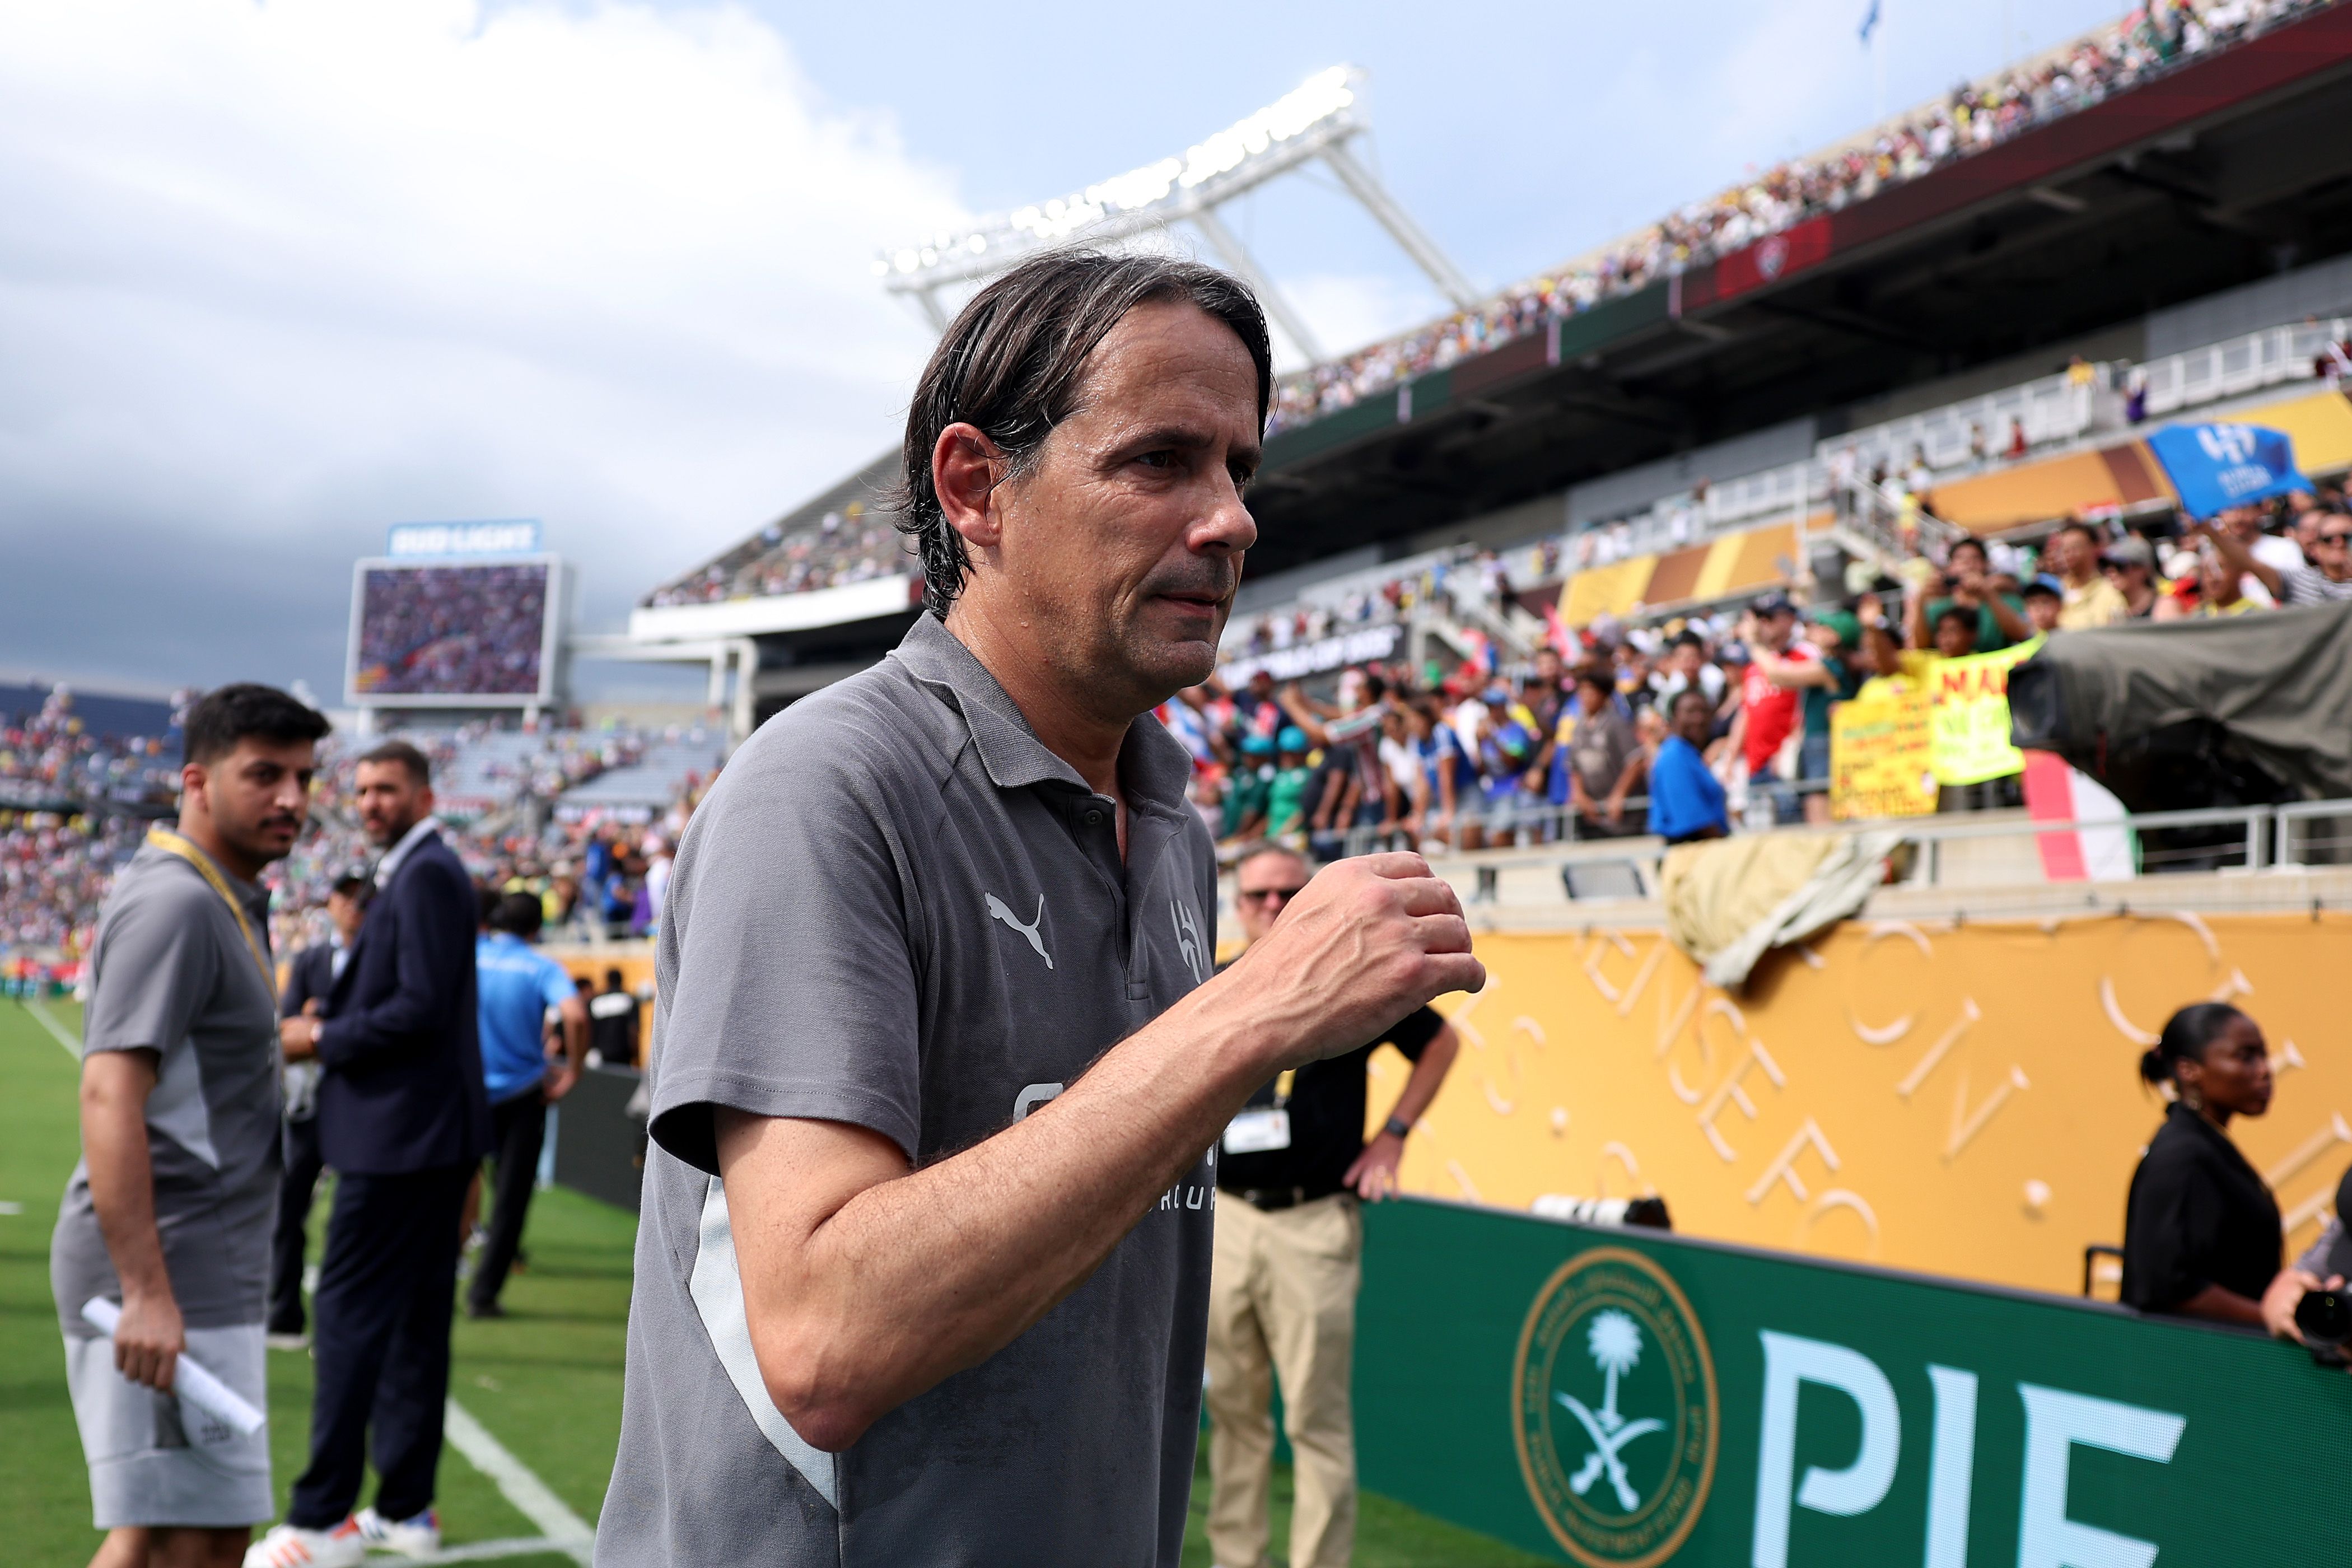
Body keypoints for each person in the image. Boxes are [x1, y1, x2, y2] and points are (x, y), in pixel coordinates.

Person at [596, 251, 1480, 1566]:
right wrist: (1249, 1012)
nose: (1231, 517)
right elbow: (827, 1339)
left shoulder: (1170, 822)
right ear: (976, 488)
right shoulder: (830, 787)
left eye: (1239, 466)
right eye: (1160, 461)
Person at [52, 684, 329, 1568]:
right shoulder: (176, 905)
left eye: (301, 776)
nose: (290, 798)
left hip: (202, 1262)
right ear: (198, 781)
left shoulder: (224, 895)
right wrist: (146, 1291)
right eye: (264, 775)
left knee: (160, 1534)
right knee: (197, 1541)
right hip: (171, 1265)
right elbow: (108, 1093)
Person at [252, 741, 491, 1568]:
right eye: (360, 789)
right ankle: (406, 1509)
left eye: (386, 789)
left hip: (401, 1139)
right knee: (416, 1324)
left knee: (351, 1320)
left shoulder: (423, 875)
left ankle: (317, 1520)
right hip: (420, 1136)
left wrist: (316, 1034)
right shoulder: (414, 872)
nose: (370, 802)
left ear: (424, 796)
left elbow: (420, 1008)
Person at [1203, 846, 1461, 1568]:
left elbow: (1442, 1045)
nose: (1274, 906)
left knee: (1317, 1425)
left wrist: (1394, 1139)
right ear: (1239, 903)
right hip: (1227, 1221)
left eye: (1290, 891)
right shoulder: (1215, 982)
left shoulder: (1357, 980)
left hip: (1313, 1221)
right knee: (1235, 1417)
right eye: (1258, 895)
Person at [461, 892, 587, 1319]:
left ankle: (433, 1279)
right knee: (510, 1200)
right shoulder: (541, 967)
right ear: (536, 929)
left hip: (467, 1090)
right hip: (521, 1096)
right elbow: (575, 1016)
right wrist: (573, 1071)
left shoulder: (473, 955)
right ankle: (483, 1295)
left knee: (450, 1189)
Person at [2120, 1003, 2283, 1326]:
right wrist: (2274, 1321)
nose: (2265, 1070)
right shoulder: (2183, 1155)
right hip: (2188, 1367)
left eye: (2264, 1055)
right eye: (2246, 1057)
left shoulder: (2207, 1147)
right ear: (2189, 1070)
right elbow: (2168, 1288)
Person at [268, 872, 371, 1350]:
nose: (353, 906)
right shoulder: (311, 958)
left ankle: (353, 1322)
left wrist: (322, 1019)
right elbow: (289, 1027)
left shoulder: (385, 959)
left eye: (362, 899)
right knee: (288, 1208)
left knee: (361, 1219)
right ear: (330, 904)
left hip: (365, 1107)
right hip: (309, 1106)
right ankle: (283, 1311)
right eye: (345, 897)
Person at [1724, 595, 1809, 825]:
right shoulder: (1753, 667)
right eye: (1760, 619)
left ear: (1789, 620)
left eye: (1769, 618)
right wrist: (1731, 758)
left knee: (1793, 833)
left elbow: (1805, 709)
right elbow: (1746, 712)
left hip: (1785, 765)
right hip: (1756, 766)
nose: (1763, 624)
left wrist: (1790, 746)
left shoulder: (1803, 657)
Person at [1648, 689, 1730, 844]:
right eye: (1690, 712)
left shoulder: (1689, 753)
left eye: (1704, 711)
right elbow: (1696, 820)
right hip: (1691, 855)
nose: (1699, 719)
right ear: (1673, 718)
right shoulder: (1674, 756)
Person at [2048, 522, 2129, 629]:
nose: (2068, 553)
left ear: (2095, 547)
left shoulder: (2110, 594)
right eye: (2064, 548)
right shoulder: (2056, 591)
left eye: (2076, 547)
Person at [586, 967, 639, 1067]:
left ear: (608, 981)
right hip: (623, 1054)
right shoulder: (628, 1000)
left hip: (601, 1055)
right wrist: (636, 1056)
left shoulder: (597, 1002)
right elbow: (633, 1029)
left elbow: (589, 1029)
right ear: (621, 980)